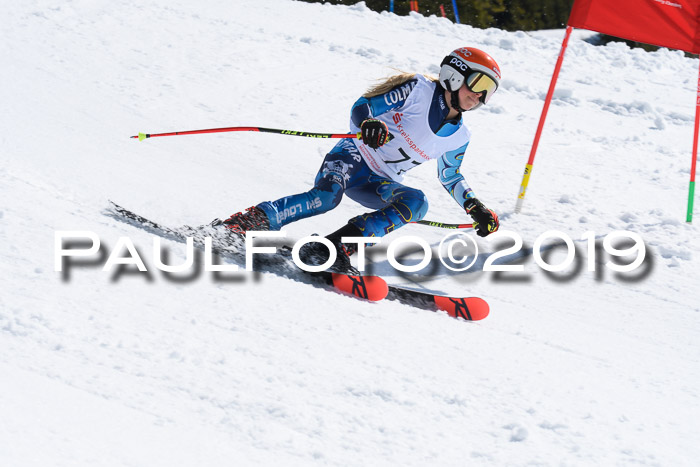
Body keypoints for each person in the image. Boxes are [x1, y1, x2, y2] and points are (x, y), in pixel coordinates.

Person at [222, 47, 501, 272]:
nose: (480, 95)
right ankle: (251, 222)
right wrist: (368, 122)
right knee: (326, 198)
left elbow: (450, 175)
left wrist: (474, 206)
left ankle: (333, 248)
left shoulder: (460, 136)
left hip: (379, 182)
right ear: (454, 74)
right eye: (479, 82)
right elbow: (362, 106)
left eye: (489, 90)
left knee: (417, 202)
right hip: (353, 156)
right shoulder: (418, 89)